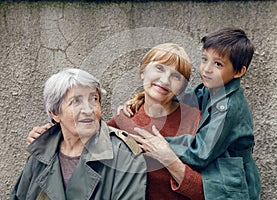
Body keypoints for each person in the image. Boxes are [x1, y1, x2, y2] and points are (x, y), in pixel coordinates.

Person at [26, 43, 205, 200]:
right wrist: (47, 138)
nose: (165, 80)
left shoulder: (195, 120)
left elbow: (213, 192)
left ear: (182, 86)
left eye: (176, 76)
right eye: (159, 68)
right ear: (143, 72)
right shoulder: (122, 120)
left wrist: (170, 160)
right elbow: (80, 144)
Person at [127, 27, 261, 200]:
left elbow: (201, 152)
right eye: (204, 59)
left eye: (218, 64)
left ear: (239, 71)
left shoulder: (227, 107)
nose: (207, 69)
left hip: (234, 185)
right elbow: (182, 95)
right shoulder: (211, 90)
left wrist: (161, 144)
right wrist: (140, 99)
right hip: (219, 172)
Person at [11, 68, 147, 200]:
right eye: (76, 101)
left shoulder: (123, 154)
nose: (88, 110)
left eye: (94, 99)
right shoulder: (40, 152)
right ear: (55, 113)